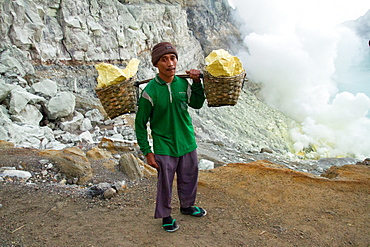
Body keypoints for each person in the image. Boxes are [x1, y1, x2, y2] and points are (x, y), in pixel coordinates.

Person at [135, 42, 207, 232]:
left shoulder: (183, 83)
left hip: (186, 140)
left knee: (189, 175)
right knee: (165, 182)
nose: (170, 63)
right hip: (164, 145)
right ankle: (166, 215)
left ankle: (187, 206)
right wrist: (147, 152)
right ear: (156, 64)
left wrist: (197, 83)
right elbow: (140, 124)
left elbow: (197, 104)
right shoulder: (149, 92)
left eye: (173, 58)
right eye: (164, 60)